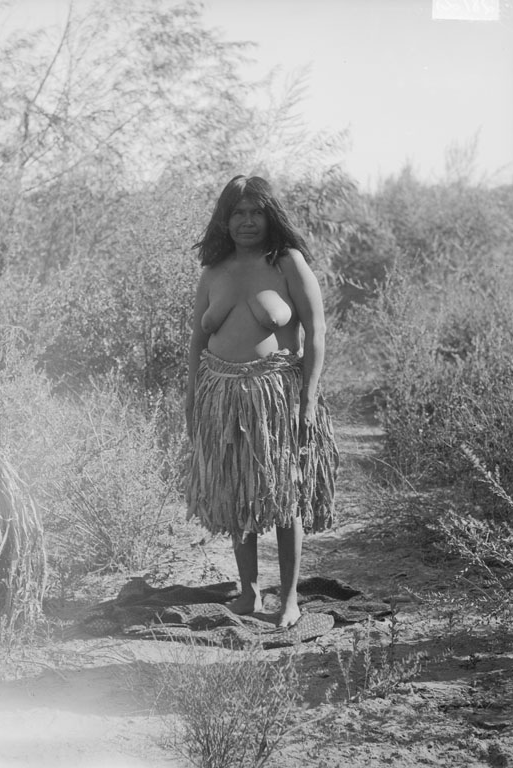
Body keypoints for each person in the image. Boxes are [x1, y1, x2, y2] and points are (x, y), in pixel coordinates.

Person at [185, 175, 339, 628]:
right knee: (236, 493)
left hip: (277, 394)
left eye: (256, 212)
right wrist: (191, 398)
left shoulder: (287, 262)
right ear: (225, 219)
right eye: (238, 213)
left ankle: (288, 599)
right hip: (221, 393)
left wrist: (308, 398)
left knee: (283, 491)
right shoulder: (213, 272)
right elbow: (197, 341)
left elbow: (317, 331)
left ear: (269, 216)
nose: (247, 221)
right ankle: (248, 591)